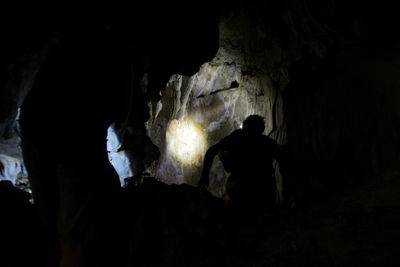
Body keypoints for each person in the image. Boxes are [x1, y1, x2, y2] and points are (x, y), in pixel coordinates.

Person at [199, 115, 281, 212]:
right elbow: (284, 160)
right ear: (261, 129)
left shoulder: (237, 137)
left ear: (245, 126)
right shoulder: (267, 142)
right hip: (263, 192)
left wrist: (204, 176)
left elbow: (211, 151)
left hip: (239, 191)